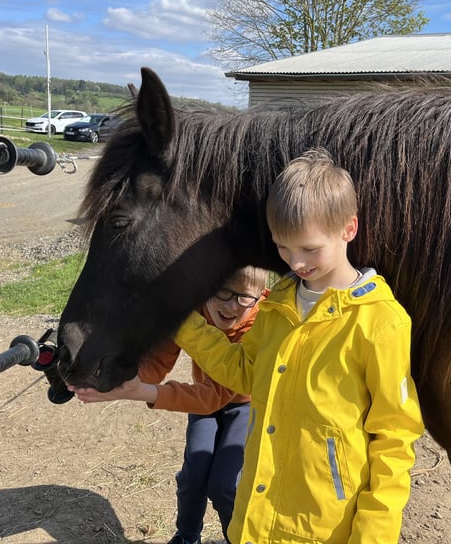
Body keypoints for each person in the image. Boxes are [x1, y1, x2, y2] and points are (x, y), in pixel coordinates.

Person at [172, 148, 424, 543]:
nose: (296, 262)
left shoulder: (380, 322)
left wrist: (373, 535)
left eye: (309, 249)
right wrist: (182, 323)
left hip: (323, 530)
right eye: (283, 247)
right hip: (257, 522)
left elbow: (394, 438)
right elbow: (244, 372)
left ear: (348, 229)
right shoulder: (278, 304)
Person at [71, 266, 269, 544]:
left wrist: (143, 393)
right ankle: (186, 536)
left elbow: (216, 394)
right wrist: (114, 378)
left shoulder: (262, 324)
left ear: (260, 295)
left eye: (244, 297)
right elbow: (155, 364)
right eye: (222, 292)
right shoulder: (191, 313)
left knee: (224, 485)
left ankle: (239, 537)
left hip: (246, 406)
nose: (230, 305)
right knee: (192, 478)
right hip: (204, 402)